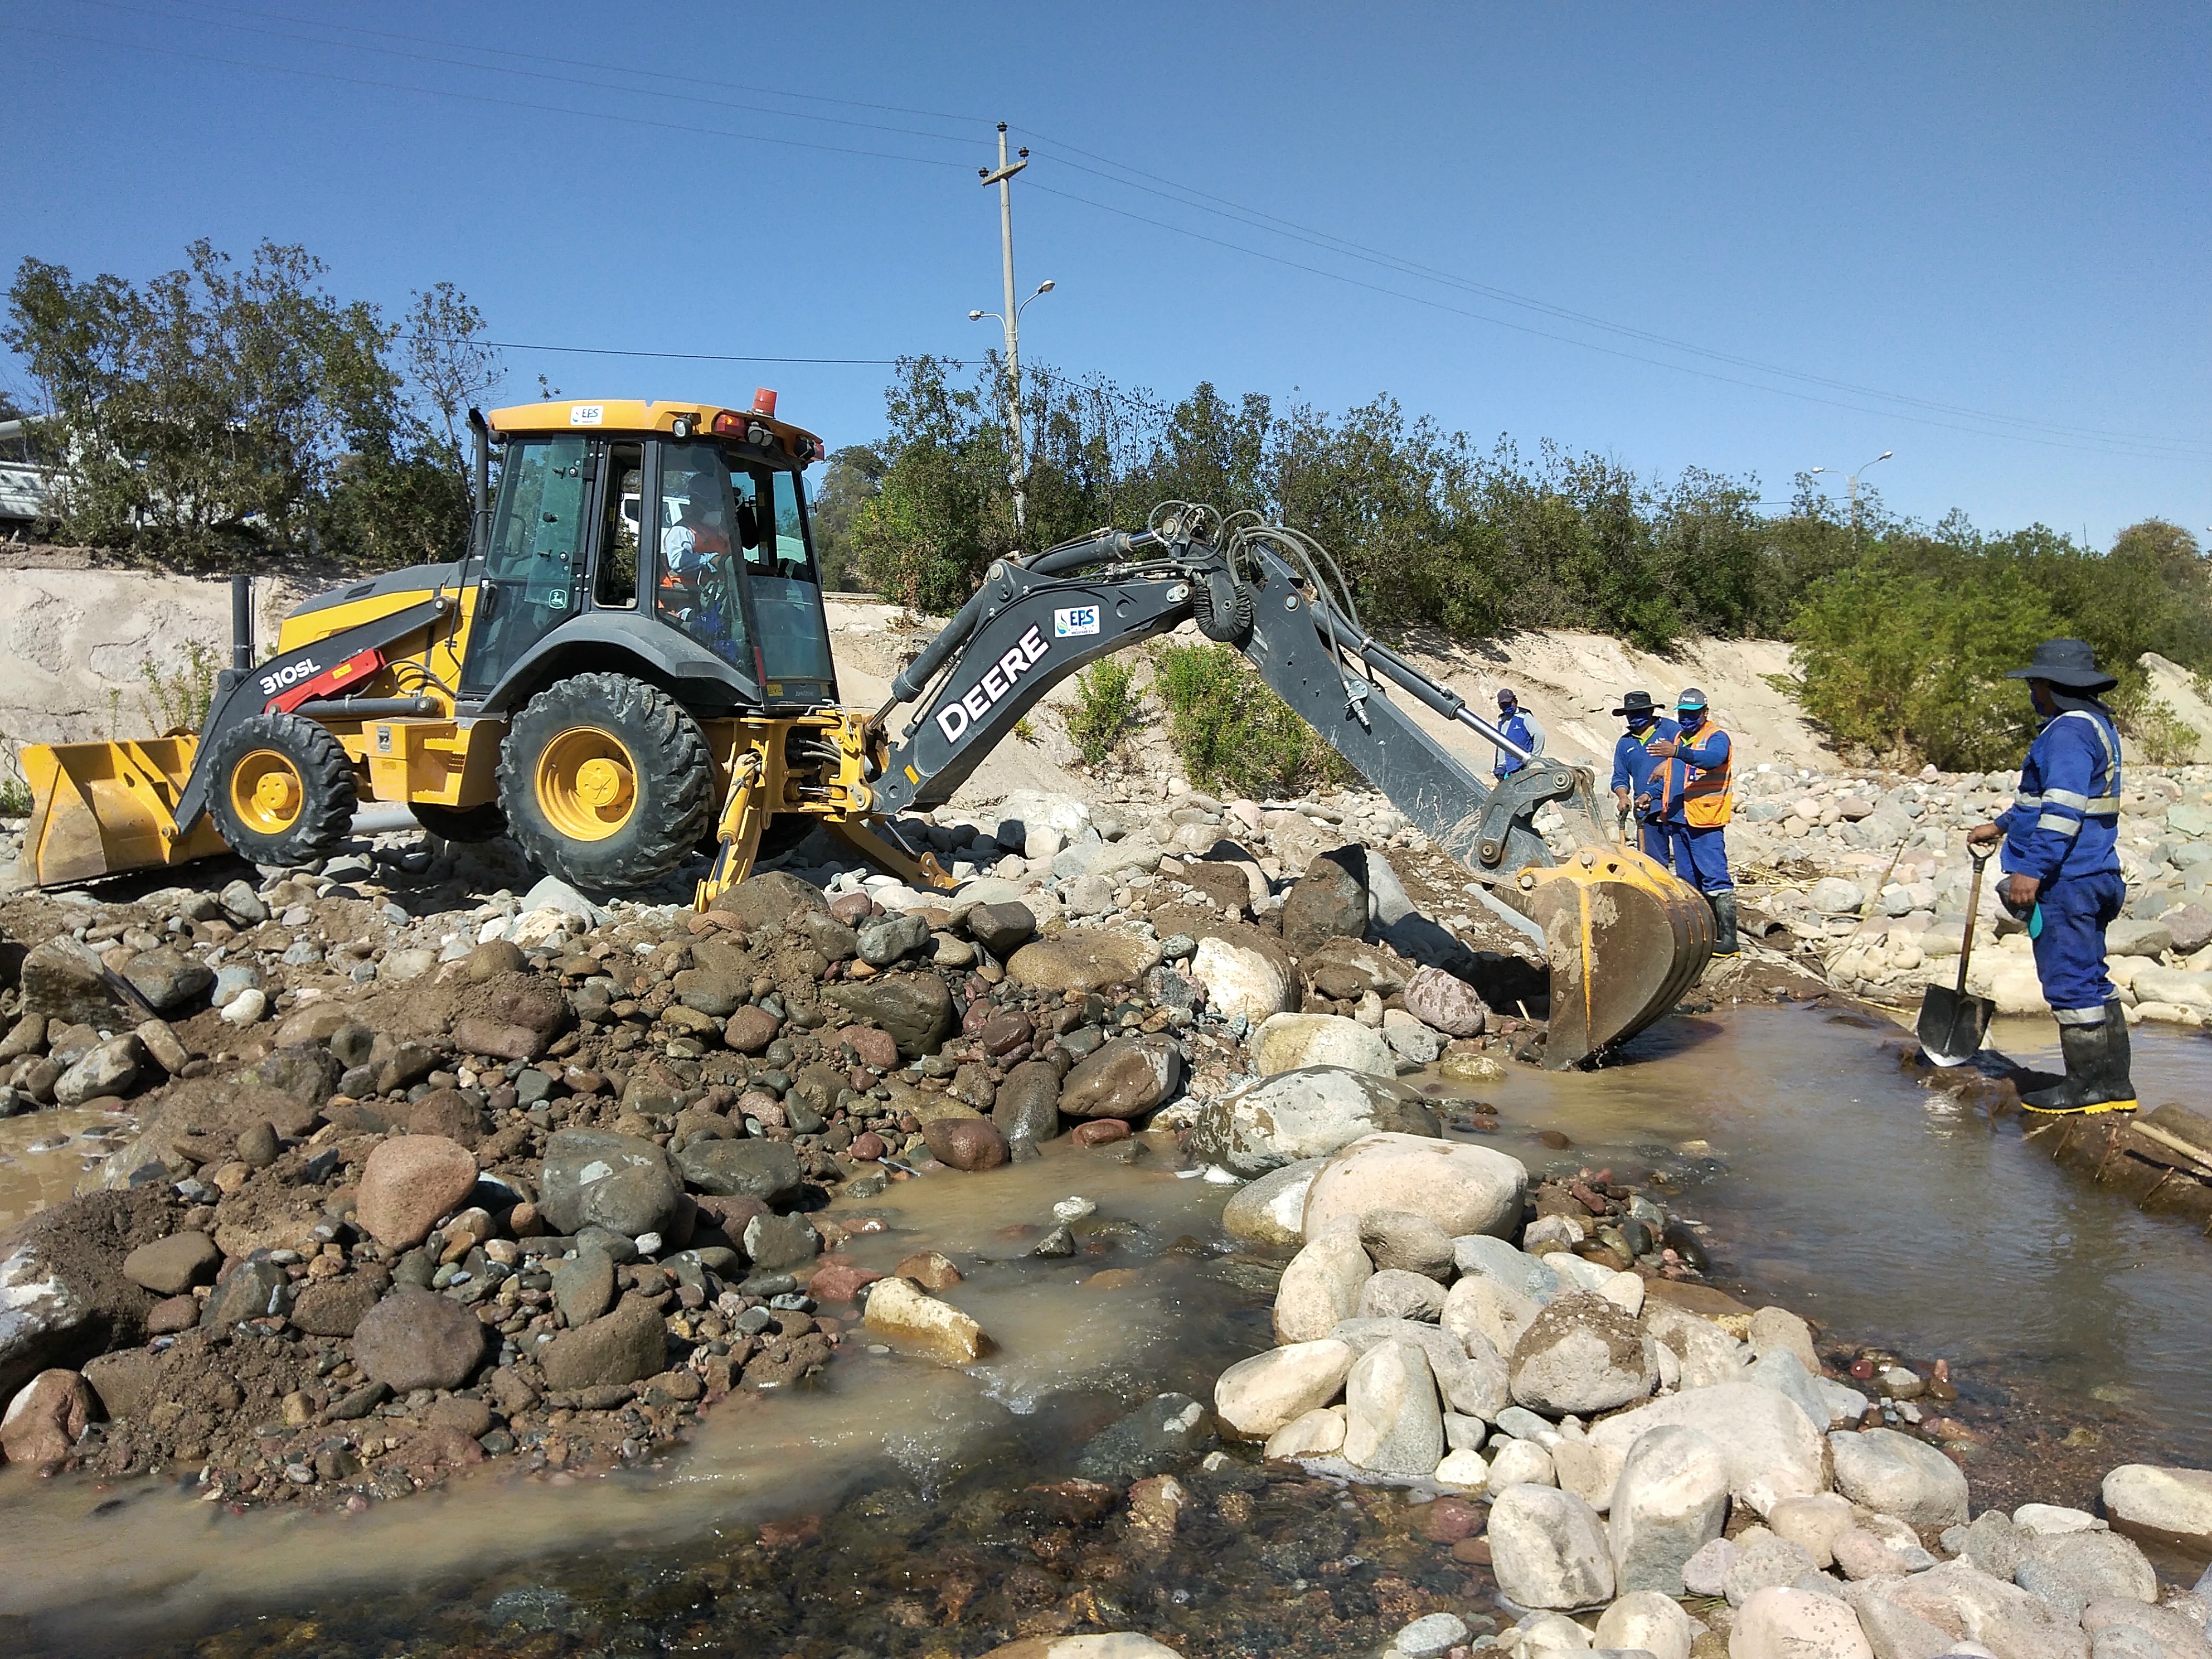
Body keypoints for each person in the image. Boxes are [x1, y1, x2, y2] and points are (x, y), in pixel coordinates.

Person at [1965, 639, 2136, 1114]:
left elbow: (2062, 811)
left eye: (2036, 684)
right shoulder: (2095, 725)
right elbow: (2041, 802)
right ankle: (2115, 1087)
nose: (2033, 692)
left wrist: (2031, 871)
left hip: (2067, 880)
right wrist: (1999, 826)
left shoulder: (2066, 734)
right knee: (2093, 979)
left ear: (2054, 688)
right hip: (2096, 873)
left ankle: (2086, 1088)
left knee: (2070, 984)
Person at [1649, 687, 1738, 957]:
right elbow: (1674, 776)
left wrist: (1677, 752)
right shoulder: (1679, 737)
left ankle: (1729, 939)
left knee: (1714, 877)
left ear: (1705, 713)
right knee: (1687, 879)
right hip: (1679, 819)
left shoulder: (1715, 737)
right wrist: (1649, 794)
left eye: (1693, 715)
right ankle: (1702, 932)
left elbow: (1713, 760)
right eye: (1683, 715)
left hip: (1705, 820)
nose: (1687, 720)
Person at [1609, 690, 1679, 860]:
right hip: (1646, 809)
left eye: (1639, 712)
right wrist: (1623, 796)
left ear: (1651, 710)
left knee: (1687, 862)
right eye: (1631, 713)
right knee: (1652, 863)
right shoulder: (1625, 743)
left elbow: (1688, 756)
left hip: (1677, 804)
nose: (1634, 717)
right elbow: (1619, 776)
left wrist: (1668, 764)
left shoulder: (1671, 730)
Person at [1491, 687, 1546, 780]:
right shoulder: (1501, 720)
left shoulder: (1524, 716)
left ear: (1515, 701)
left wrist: (1533, 759)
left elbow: (1539, 735)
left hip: (1519, 767)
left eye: (1509, 703)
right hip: (1503, 768)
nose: (1507, 706)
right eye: (1503, 704)